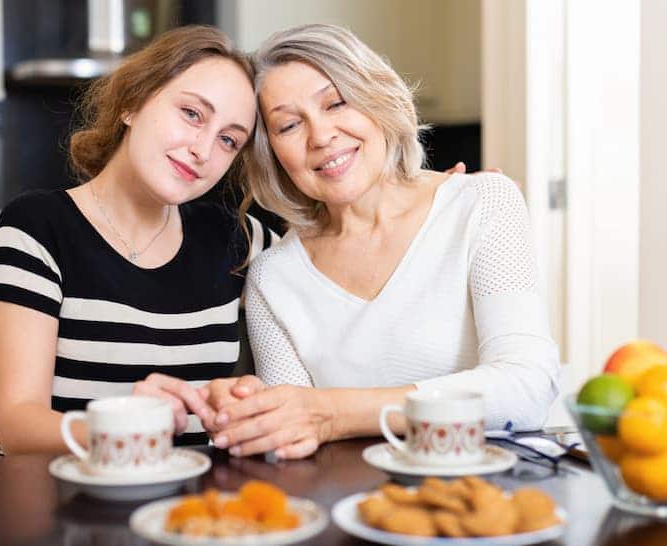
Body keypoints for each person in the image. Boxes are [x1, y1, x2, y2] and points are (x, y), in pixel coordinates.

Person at [205, 24, 560, 460]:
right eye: (290, 124)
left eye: (336, 103)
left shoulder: (483, 203)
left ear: (376, 99)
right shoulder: (273, 277)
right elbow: (292, 439)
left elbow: (527, 388)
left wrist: (334, 413)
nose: (321, 136)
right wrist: (246, 411)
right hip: (352, 511)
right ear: (271, 152)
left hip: (488, 502)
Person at [0, 25, 279, 455]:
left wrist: (247, 399)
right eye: (192, 114)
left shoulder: (237, 237)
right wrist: (124, 425)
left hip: (180, 510)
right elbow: (17, 425)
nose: (203, 149)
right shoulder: (37, 227)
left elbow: (328, 281)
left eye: (229, 139)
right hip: (53, 503)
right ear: (133, 102)